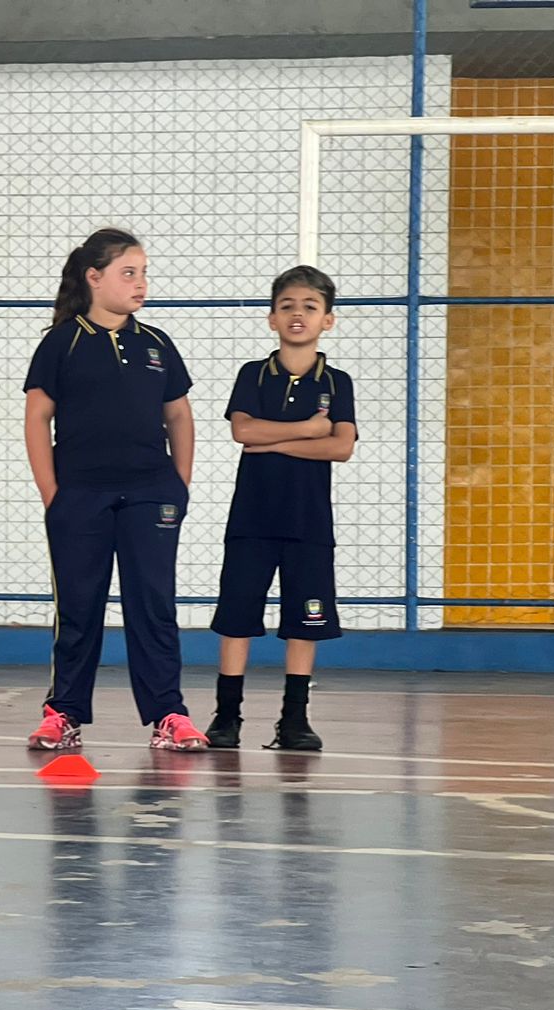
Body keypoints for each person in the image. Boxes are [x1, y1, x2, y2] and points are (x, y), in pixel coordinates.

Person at [22, 228, 208, 753]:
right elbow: (38, 417)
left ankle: (169, 714)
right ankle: (63, 712)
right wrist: (51, 493)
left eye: (144, 273)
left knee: (154, 603)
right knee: (78, 607)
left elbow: (179, 415)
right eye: (129, 273)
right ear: (94, 277)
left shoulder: (156, 345)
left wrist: (180, 484)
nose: (140, 283)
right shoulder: (62, 342)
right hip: (80, 496)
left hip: (151, 493)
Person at [206, 265, 357, 752]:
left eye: (310, 307)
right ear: (272, 318)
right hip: (252, 518)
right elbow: (242, 432)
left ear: (327, 321)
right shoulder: (253, 375)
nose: (298, 315)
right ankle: (226, 717)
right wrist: (310, 430)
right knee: (237, 616)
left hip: (308, 521)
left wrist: (285, 440)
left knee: (304, 620)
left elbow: (341, 447)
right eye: (288, 306)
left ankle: (294, 720)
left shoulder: (338, 382)